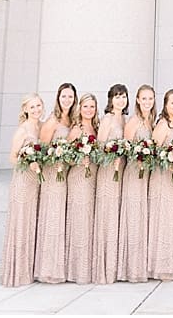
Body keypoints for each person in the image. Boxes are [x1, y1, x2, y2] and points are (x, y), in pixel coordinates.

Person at [1, 94, 45, 286]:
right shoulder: (23, 129)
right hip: (22, 180)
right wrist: (28, 161)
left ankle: (28, 269)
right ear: (25, 109)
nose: (36, 110)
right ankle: (17, 272)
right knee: (21, 223)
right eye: (32, 107)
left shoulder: (41, 127)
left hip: (35, 182)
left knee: (31, 223)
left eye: (38, 106)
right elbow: (12, 157)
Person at [35, 82, 77, 283]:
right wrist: (56, 158)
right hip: (53, 175)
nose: (67, 100)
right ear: (58, 98)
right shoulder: (52, 121)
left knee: (62, 219)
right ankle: (48, 269)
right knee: (52, 218)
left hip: (67, 175)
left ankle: (61, 266)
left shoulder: (72, 121)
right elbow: (41, 149)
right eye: (64, 96)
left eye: (70, 96)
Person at [117, 84, 155, 282]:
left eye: (151, 99)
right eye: (144, 98)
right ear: (138, 100)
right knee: (133, 218)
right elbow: (125, 149)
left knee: (141, 218)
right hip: (134, 173)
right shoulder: (133, 122)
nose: (147, 102)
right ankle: (130, 267)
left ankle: (141, 264)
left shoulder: (150, 121)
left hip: (146, 174)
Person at [91, 83, 128, 284]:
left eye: (123, 97)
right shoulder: (107, 119)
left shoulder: (124, 119)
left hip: (120, 171)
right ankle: (103, 268)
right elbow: (99, 147)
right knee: (107, 217)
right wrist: (113, 153)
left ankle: (113, 265)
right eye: (117, 97)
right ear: (110, 99)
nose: (120, 100)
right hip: (107, 172)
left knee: (115, 217)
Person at [146, 88, 173, 281]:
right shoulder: (162, 125)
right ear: (165, 105)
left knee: (170, 220)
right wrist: (168, 163)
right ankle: (160, 266)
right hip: (162, 177)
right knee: (162, 220)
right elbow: (154, 151)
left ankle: (170, 263)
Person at [65, 92, 100, 284]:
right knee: (79, 221)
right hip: (79, 177)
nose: (89, 110)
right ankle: (76, 269)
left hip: (93, 176)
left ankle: (87, 266)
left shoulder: (96, 126)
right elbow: (68, 156)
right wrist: (81, 158)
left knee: (88, 221)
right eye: (86, 106)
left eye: (92, 107)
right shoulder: (76, 129)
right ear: (80, 108)